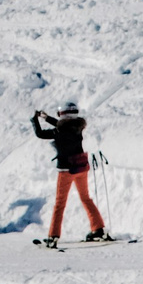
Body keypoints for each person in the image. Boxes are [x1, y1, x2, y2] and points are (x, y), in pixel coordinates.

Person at [31, 101, 109, 244]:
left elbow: (40, 134)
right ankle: (98, 229)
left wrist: (35, 119)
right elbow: (62, 125)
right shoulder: (78, 128)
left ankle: (53, 236)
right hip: (81, 168)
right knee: (86, 198)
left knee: (60, 204)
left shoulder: (59, 132)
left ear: (63, 115)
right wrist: (46, 118)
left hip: (66, 171)